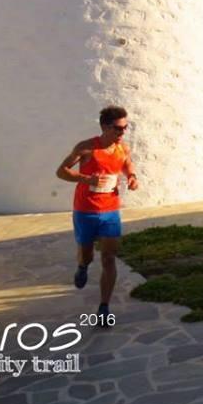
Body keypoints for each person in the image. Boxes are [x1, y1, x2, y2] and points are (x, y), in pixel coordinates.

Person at [56, 105, 138, 324]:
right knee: (87, 255)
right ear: (104, 126)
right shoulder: (86, 148)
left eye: (125, 128)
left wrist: (131, 177)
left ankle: (104, 307)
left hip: (110, 211)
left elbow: (127, 165)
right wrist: (86, 179)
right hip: (86, 211)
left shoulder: (123, 149)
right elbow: (61, 171)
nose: (122, 133)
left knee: (109, 257)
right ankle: (82, 266)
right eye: (118, 129)